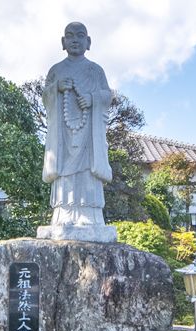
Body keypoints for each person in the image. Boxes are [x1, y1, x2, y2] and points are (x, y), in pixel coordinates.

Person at [38, 22, 115, 241]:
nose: (74, 40)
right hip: (63, 134)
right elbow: (45, 97)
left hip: (88, 134)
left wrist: (92, 99)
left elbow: (107, 96)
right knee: (64, 171)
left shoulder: (95, 70)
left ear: (88, 42)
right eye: (70, 36)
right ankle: (63, 215)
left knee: (88, 170)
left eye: (80, 36)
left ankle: (90, 216)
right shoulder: (56, 70)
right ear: (63, 42)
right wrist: (56, 88)